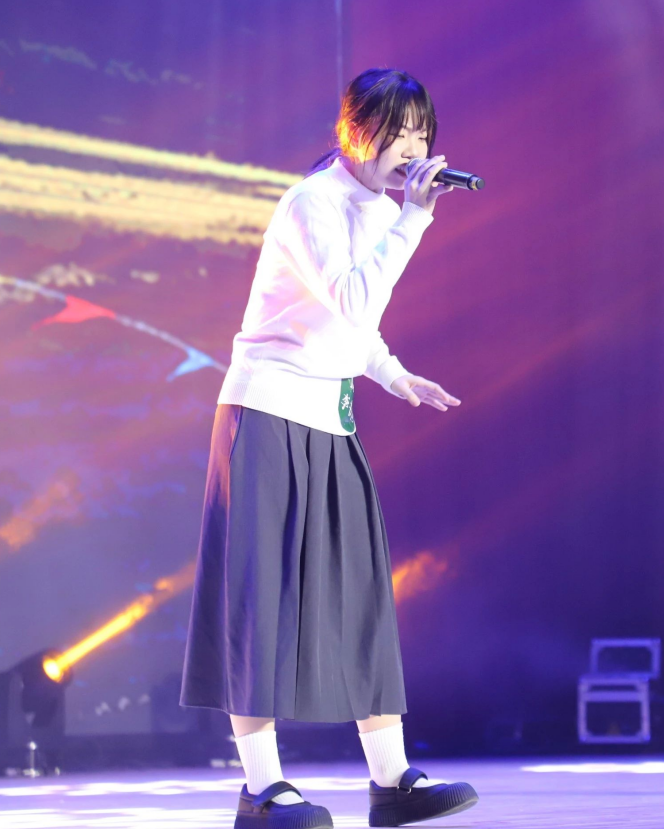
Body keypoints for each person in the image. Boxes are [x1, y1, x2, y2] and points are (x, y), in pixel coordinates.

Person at [180, 68, 478, 829]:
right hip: (266, 414)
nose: (411, 148)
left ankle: (391, 780)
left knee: (361, 596)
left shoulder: (379, 208)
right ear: (354, 132)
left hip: (330, 422)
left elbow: (353, 324)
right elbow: (350, 295)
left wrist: (394, 374)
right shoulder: (310, 202)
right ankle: (261, 789)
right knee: (261, 600)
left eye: (421, 133)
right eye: (397, 131)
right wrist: (415, 221)